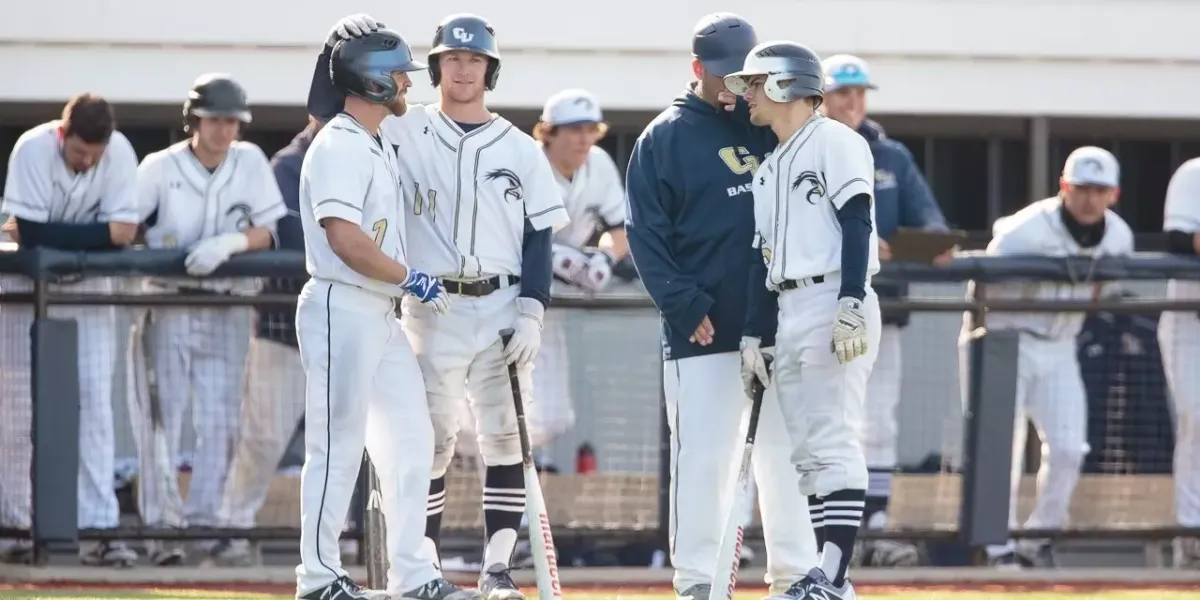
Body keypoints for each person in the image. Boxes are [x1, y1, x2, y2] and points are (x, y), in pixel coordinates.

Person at [625, 14, 817, 600]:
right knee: (703, 460)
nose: (735, 87)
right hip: (702, 328)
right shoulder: (662, 137)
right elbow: (645, 235)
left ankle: (795, 577)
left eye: (745, 77)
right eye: (724, 76)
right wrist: (683, 303)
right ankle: (697, 582)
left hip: (779, 323)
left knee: (787, 459)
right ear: (697, 70)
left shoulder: (772, 125)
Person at [294, 24, 460, 600]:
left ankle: (413, 574)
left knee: (411, 440)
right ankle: (318, 579)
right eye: (396, 73)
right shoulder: (339, 142)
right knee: (336, 445)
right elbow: (345, 239)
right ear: (370, 78)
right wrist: (410, 277)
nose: (404, 83)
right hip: (342, 304)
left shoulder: (376, 139)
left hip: (379, 312)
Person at [726, 40, 881, 600]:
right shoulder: (769, 167)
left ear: (785, 84)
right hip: (790, 307)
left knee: (835, 440)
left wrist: (851, 301)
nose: (745, 95)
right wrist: (754, 333)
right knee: (809, 455)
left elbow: (858, 222)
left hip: (832, 299)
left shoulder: (836, 141)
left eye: (754, 84)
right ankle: (828, 577)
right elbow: (759, 259)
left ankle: (832, 578)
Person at [131, 73, 285, 565]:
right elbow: (126, 226)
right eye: (215, 119)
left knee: (220, 420)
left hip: (226, 303)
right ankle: (161, 528)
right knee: (162, 418)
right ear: (193, 120)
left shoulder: (250, 160)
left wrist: (232, 242)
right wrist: (157, 247)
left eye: (231, 121)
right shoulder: (160, 166)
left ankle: (204, 523)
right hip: (168, 301)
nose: (224, 130)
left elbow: (267, 230)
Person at [964, 146, 1132, 568]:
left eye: (1099, 190)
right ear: (1063, 187)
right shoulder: (1024, 231)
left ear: (1114, 194)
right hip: (1006, 337)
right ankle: (997, 547)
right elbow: (980, 286)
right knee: (1001, 447)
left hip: (1059, 344)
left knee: (1071, 448)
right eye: (1081, 189)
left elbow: (1106, 292)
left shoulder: (1119, 237)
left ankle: (1036, 540)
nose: (1090, 199)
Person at [820, 53, 951, 566]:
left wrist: (928, 244)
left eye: (858, 93)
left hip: (881, 310)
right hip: (816, 307)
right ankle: (820, 524)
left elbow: (932, 224)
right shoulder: (803, 145)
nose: (851, 102)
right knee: (821, 419)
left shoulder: (891, 155)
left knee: (878, 422)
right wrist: (872, 242)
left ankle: (873, 523)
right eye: (841, 92)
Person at [0, 93, 141, 567]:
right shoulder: (33, 147)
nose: (87, 161)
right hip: (24, 283)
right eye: (80, 151)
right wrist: (92, 237)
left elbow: (123, 232)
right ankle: (18, 525)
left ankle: (99, 527)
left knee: (95, 407)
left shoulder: (118, 151)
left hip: (89, 289)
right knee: (17, 412)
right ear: (64, 134)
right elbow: (31, 236)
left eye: (94, 154)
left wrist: (50, 232)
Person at [207, 117, 320, 567]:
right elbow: (287, 235)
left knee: (349, 443)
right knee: (263, 438)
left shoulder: (372, 150)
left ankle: (347, 538)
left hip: (348, 329)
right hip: (284, 326)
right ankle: (232, 529)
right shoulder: (289, 164)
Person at [533, 87, 628, 458]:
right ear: (549, 131)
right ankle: (518, 509)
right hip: (515, 297)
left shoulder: (599, 163)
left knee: (553, 416)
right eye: (574, 130)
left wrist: (605, 258)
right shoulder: (528, 162)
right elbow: (507, 234)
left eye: (590, 129)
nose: (584, 139)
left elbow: (621, 231)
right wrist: (550, 254)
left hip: (556, 306)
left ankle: (521, 499)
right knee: (509, 412)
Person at [1158, 157, 1200, 569]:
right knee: (1196, 418)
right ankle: (1192, 534)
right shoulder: (1194, 173)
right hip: (1192, 317)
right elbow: (1177, 240)